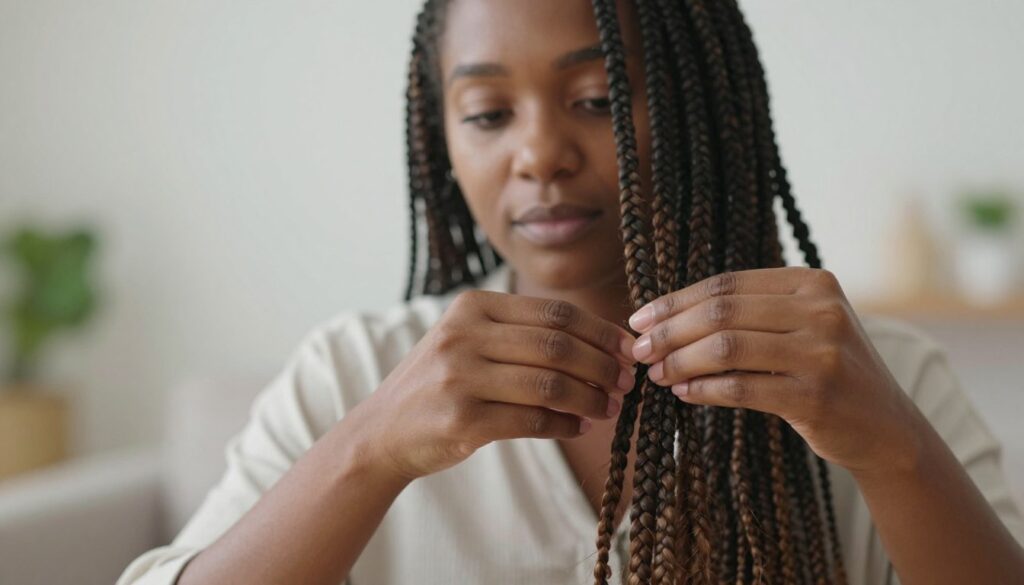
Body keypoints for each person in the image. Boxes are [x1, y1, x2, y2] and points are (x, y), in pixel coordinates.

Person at [118, 0, 1024, 583]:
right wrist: (371, 449)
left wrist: (897, 451)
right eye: (487, 113)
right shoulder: (353, 369)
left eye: (597, 98)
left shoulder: (878, 376)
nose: (540, 153)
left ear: (705, 108)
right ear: (441, 143)